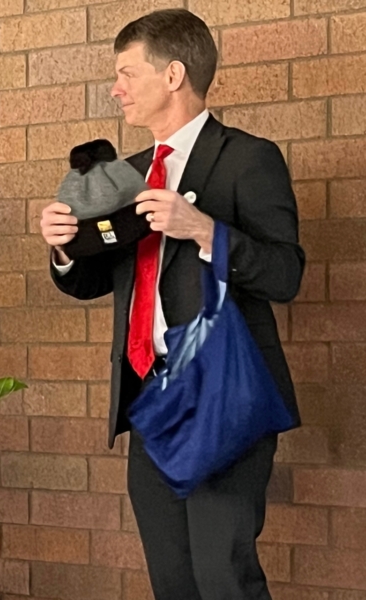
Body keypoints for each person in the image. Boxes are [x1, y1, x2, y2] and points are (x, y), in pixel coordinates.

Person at [40, 9, 304, 600]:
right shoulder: (125, 174)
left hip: (223, 400)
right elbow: (92, 280)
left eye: (127, 73)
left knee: (223, 578)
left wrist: (206, 230)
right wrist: (62, 250)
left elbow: (286, 274)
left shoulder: (247, 158)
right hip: (148, 405)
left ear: (174, 74)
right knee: (174, 581)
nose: (116, 88)